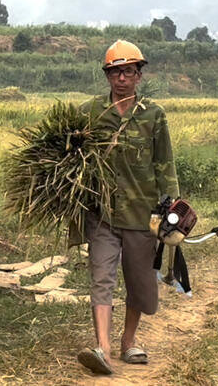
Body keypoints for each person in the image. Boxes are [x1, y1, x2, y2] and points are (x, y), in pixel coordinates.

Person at [73, 39, 179, 375]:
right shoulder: (89, 113)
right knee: (101, 277)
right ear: (107, 75)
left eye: (128, 72)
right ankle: (102, 348)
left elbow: (164, 163)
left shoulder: (153, 116)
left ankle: (128, 340)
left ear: (139, 76)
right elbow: (71, 155)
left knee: (138, 279)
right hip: (101, 211)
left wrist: (172, 206)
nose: (122, 78)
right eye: (115, 72)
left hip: (141, 213)